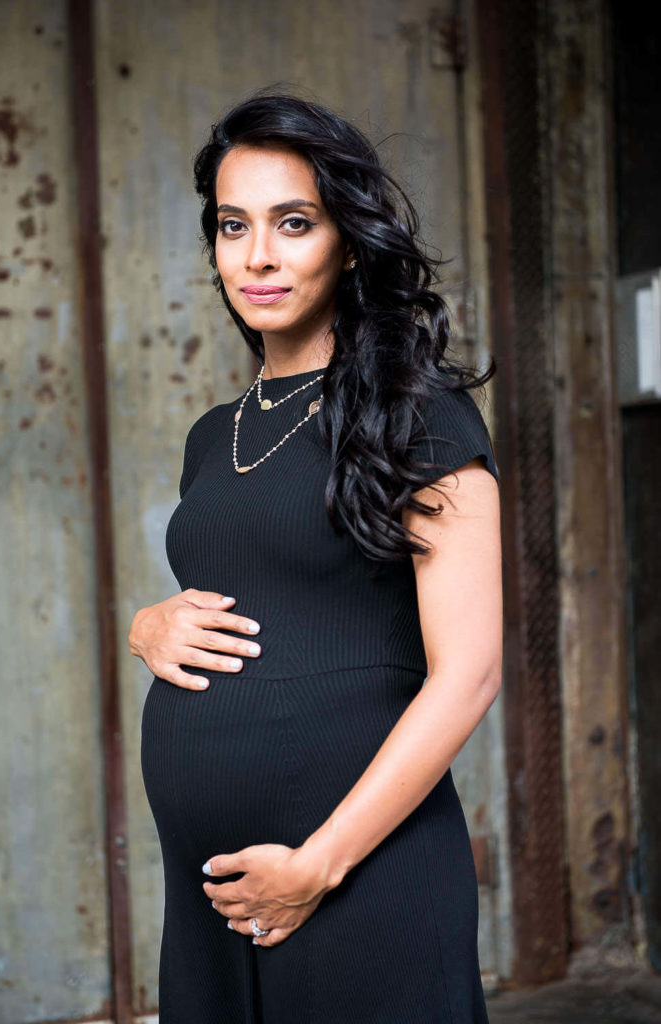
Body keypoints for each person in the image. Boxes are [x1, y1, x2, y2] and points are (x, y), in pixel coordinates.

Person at [130, 91, 503, 1024]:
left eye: (292, 223)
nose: (256, 256)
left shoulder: (418, 418)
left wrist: (319, 863)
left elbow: (469, 675)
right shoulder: (215, 434)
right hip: (213, 888)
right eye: (232, 225)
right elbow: (258, 592)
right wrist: (147, 624)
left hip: (354, 875)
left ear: (347, 239)